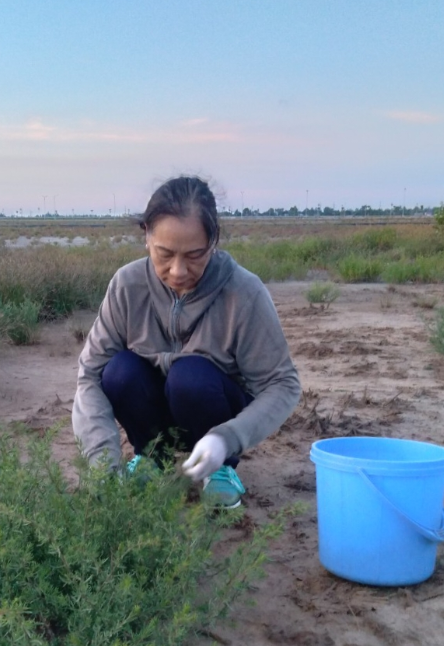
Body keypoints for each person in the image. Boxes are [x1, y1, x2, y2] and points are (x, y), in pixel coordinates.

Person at [72, 176, 301, 508]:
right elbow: (89, 376)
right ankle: (151, 458)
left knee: (189, 377)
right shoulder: (127, 285)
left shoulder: (244, 292)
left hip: (210, 404)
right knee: (118, 371)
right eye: (164, 254)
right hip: (151, 407)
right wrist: (102, 463)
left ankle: (219, 470)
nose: (178, 271)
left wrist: (227, 439)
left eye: (195, 255)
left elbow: (283, 384)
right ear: (146, 236)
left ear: (213, 242)